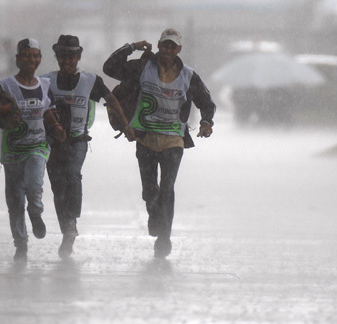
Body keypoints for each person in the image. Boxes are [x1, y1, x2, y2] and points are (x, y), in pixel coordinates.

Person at [103, 28, 216, 259]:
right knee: (150, 190)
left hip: (173, 139)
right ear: (158, 45)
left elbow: (207, 102)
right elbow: (109, 68)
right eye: (164, 45)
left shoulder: (188, 75)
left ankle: (164, 237)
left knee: (167, 188)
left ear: (179, 50)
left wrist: (206, 122)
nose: (167, 50)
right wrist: (132, 47)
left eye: (172, 47)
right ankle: (153, 211)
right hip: (144, 137)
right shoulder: (142, 68)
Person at [41, 35, 135, 258]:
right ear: (57, 57)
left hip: (78, 140)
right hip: (52, 142)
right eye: (63, 56)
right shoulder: (46, 81)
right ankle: (67, 229)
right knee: (56, 185)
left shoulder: (90, 81)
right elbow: (34, 106)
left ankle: (72, 220)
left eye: (71, 56)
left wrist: (126, 125)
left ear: (79, 56)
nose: (67, 61)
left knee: (72, 175)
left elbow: (111, 100)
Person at [0, 38, 66, 262]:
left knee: (34, 185)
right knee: (15, 201)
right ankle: (21, 244)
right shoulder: (4, 87)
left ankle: (36, 213)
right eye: (26, 55)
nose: (31, 60)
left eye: (36, 56)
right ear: (17, 58)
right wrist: (4, 108)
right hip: (12, 150)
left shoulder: (44, 85)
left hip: (37, 146)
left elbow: (48, 111)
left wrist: (56, 126)